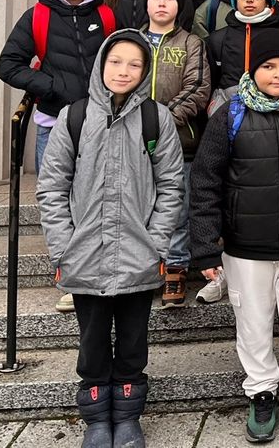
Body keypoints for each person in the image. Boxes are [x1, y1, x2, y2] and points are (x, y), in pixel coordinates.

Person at [189, 27, 279, 447]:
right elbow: (204, 182)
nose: (278, 74)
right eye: (268, 67)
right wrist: (204, 243)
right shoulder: (230, 114)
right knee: (253, 324)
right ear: (253, 70)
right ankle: (261, 392)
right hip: (245, 247)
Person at [36, 30, 183, 448]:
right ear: (102, 64)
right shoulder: (75, 116)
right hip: (84, 254)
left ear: (145, 71)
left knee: (135, 342)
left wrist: (156, 243)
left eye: (134, 64)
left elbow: (172, 184)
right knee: (93, 342)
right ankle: (97, 420)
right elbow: (51, 187)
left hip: (139, 252)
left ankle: (129, 417)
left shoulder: (157, 118)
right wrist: (63, 247)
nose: (124, 71)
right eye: (116, 62)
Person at [0, 0, 114, 176]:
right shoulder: (37, 16)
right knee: (53, 196)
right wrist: (49, 86)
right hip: (54, 122)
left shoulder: (105, 16)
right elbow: (9, 65)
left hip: (98, 123)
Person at [141, 0, 211, 309]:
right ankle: (145, 267)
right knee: (141, 206)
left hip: (180, 141)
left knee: (177, 206)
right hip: (135, 142)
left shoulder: (191, 43)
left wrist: (162, 121)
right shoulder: (131, 41)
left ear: (178, 6)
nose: (162, 4)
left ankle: (176, 267)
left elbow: (198, 89)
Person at [204, 0, 279, 113]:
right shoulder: (218, 39)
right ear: (235, 0)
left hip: (274, 112)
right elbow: (211, 82)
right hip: (229, 112)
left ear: (268, 0)